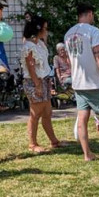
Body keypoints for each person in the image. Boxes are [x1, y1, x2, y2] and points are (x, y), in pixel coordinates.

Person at [64, 2, 99, 161]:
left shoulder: (68, 34)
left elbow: (70, 60)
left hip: (78, 82)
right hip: (94, 81)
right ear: (90, 13)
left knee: (82, 118)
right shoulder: (94, 31)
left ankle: (87, 154)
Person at [22, 15, 64, 153]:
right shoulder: (28, 46)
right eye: (44, 28)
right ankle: (32, 144)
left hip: (44, 80)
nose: (47, 30)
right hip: (35, 81)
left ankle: (54, 141)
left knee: (47, 112)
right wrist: (37, 85)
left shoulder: (38, 43)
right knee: (35, 113)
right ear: (38, 29)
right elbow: (31, 67)